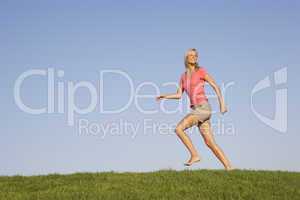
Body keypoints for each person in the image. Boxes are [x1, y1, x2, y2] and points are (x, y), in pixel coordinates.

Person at [156, 48, 234, 170]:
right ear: (186, 58)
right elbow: (178, 95)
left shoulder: (201, 71)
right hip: (197, 111)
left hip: (203, 108)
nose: (193, 57)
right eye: (191, 55)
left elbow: (215, 86)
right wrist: (165, 96)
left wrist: (222, 104)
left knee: (179, 128)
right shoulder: (183, 77)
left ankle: (194, 155)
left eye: (195, 55)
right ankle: (230, 168)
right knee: (210, 143)